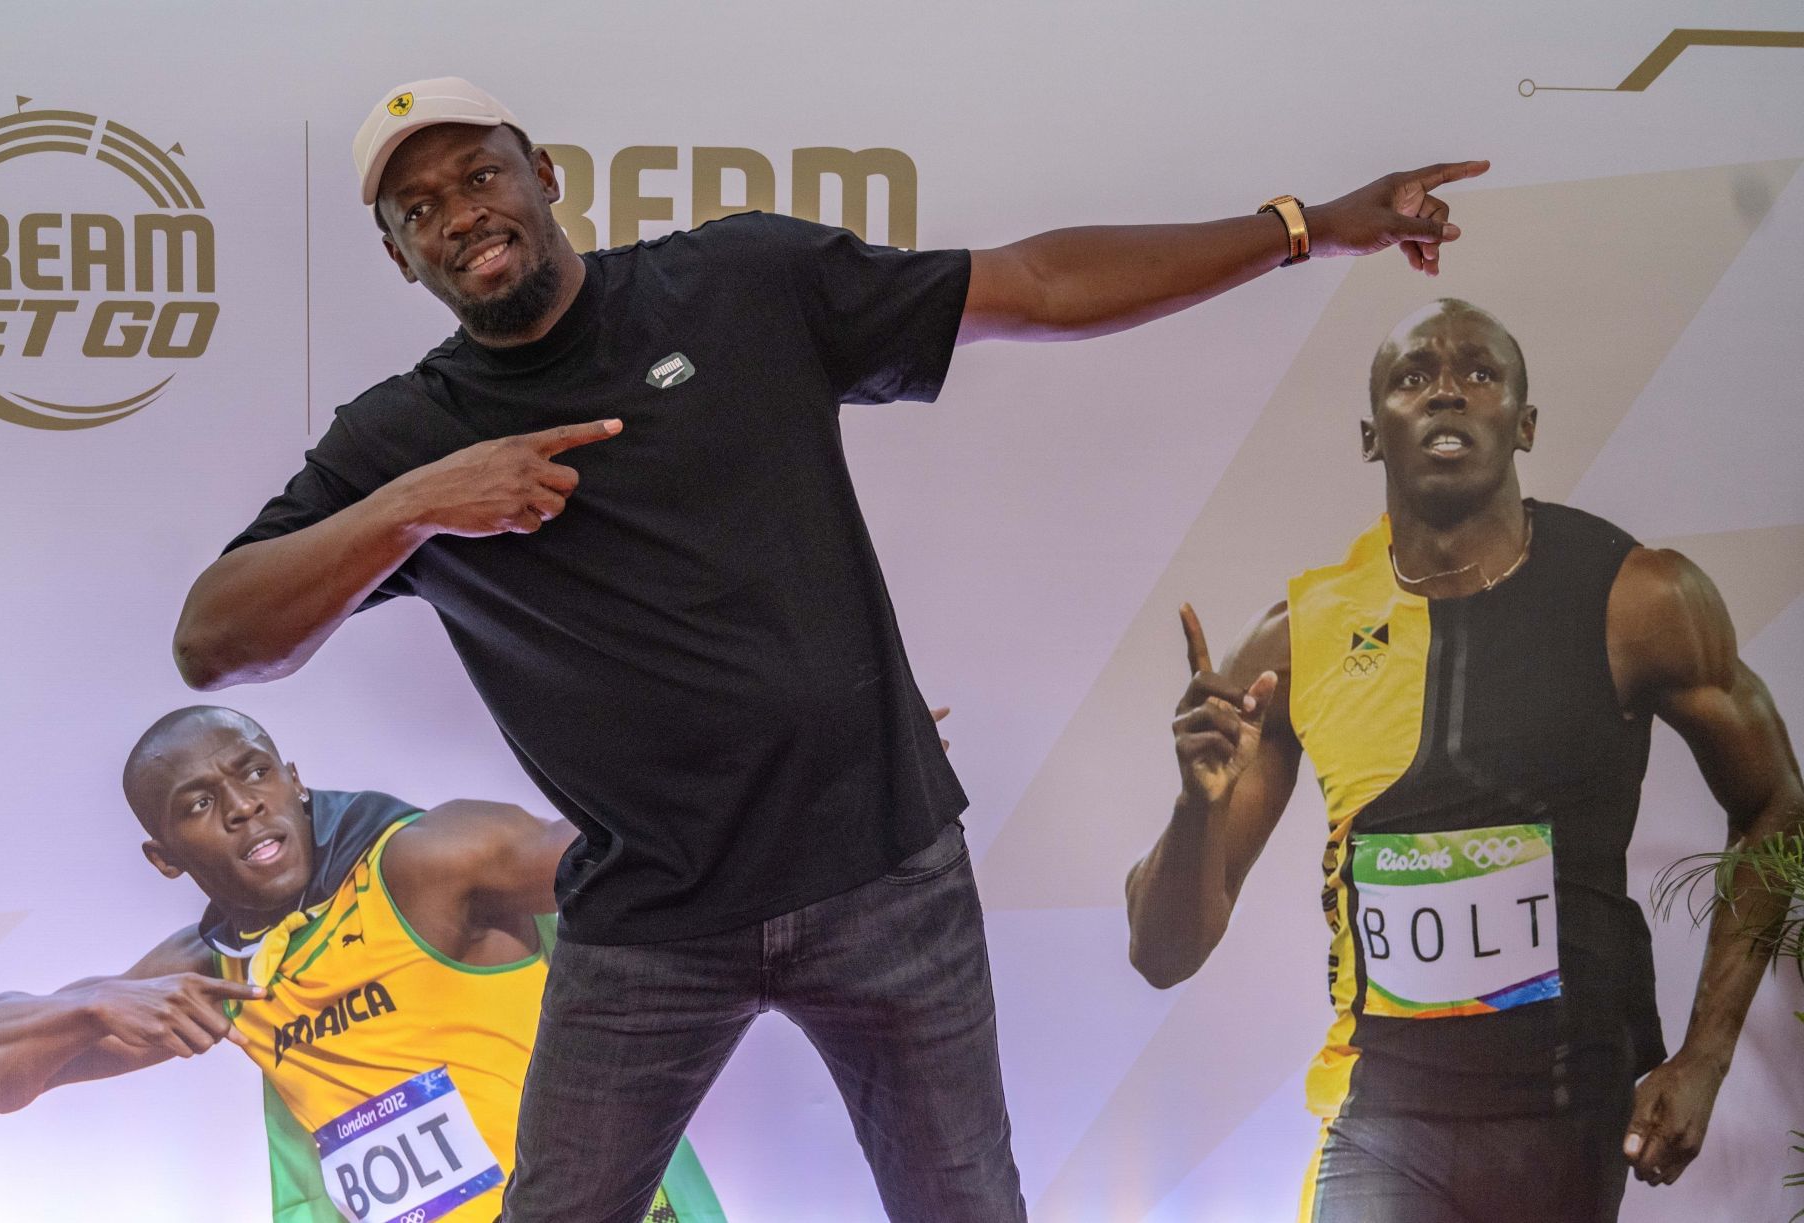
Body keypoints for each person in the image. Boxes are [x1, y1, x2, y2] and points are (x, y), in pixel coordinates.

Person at [169, 73, 1489, 1221]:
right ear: (404, 259)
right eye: (421, 211)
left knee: (965, 1205)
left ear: (544, 176)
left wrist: (1304, 229)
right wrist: (417, 504)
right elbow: (214, 641)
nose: (460, 213)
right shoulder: (406, 435)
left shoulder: (739, 284)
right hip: (650, 926)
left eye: (477, 174)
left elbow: (1032, 286)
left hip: (883, 876)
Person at [1123, 298, 1804, 1222]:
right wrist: (1194, 806)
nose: (1446, 389)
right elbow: (1164, 953)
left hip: (1566, 1107)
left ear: (1523, 423)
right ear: (1373, 435)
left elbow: (1775, 805)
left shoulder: (1639, 599)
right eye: (1413, 377)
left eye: (1479, 372)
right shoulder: (1294, 640)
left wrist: (1705, 1057)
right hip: (1379, 1109)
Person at [0, 706, 725, 1223]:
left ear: (294, 781)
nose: (243, 804)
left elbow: (645, 864)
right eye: (199, 803)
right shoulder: (218, 973)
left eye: (253, 770)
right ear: (164, 858)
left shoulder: (431, 861)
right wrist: (93, 1002)